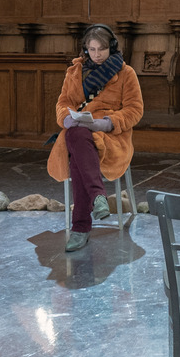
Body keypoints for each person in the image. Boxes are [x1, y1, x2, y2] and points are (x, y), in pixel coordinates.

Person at [47, 24, 144, 252]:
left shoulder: (126, 73)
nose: (97, 54)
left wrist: (106, 123)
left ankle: (81, 227)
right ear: (85, 49)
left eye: (101, 48)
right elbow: (63, 104)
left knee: (78, 154)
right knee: (77, 135)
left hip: (111, 136)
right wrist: (68, 119)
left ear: (110, 47)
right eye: (92, 49)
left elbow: (135, 110)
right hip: (80, 130)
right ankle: (98, 196)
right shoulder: (74, 72)